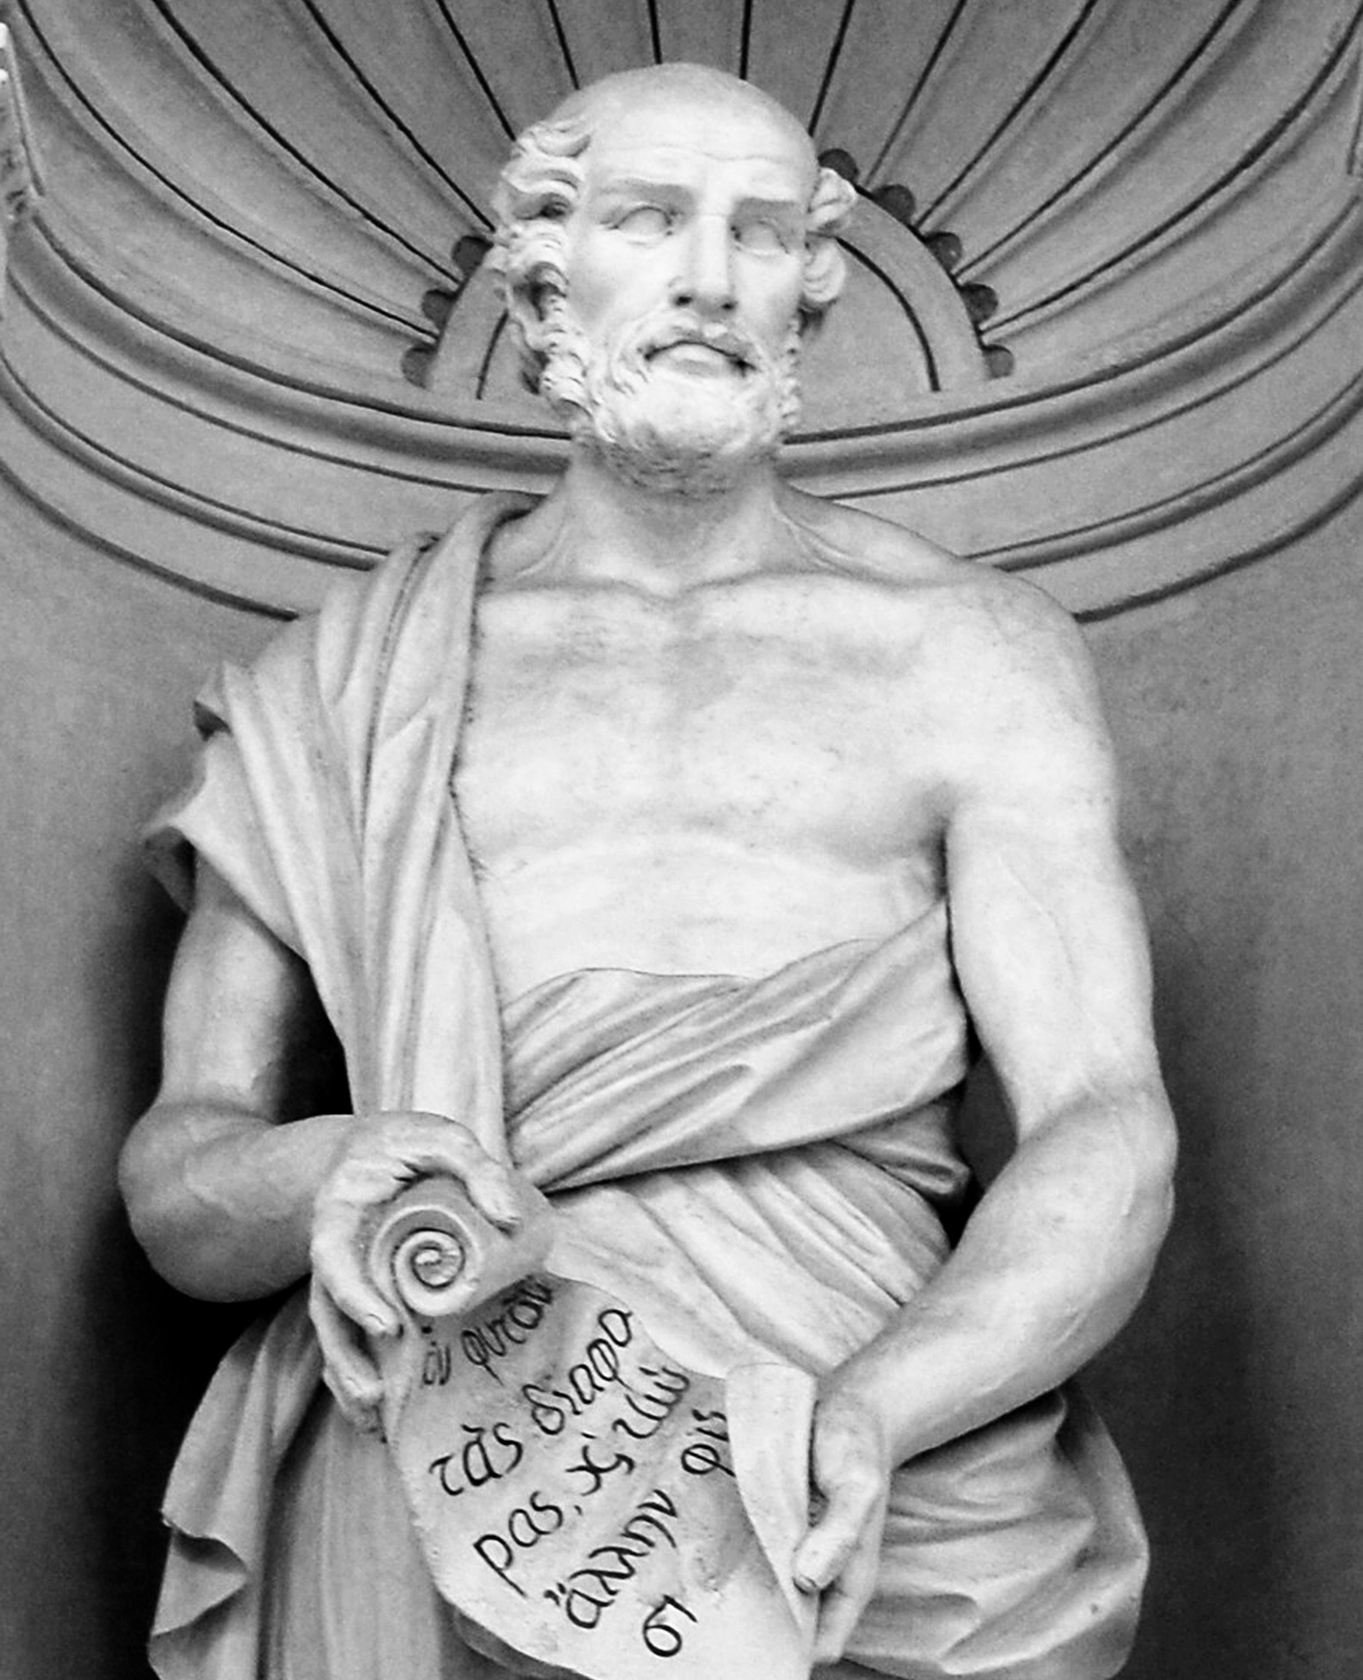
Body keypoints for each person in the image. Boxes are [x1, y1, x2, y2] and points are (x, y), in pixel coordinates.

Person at [120, 63, 1176, 1680]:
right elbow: (184, 1178)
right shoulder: (339, 685)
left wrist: (876, 1412)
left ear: (809, 292)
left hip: (875, 1450)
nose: (707, 275)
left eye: (760, 234)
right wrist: (321, 1172)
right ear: (545, 272)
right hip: (460, 1436)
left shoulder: (972, 654)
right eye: (648, 219)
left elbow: (1107, 1121)